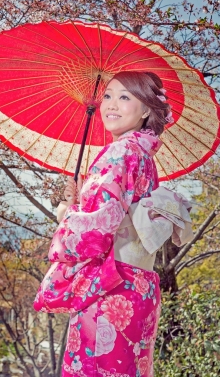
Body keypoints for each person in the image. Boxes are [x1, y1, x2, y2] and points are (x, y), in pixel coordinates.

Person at [34, 71, 193, 377]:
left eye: (124, 97)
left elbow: (95, 232)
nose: (111, 105)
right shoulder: (143, 154)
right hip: (140, 286)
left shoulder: (119, 152)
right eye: (108, 96)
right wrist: (82, 199)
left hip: (111, 287)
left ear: (147, 109)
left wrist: (68, 211)